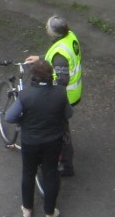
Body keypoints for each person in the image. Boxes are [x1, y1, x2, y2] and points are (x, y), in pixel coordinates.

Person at [5, 59, 71, 217]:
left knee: (28, 172)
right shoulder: (60, 94)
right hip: (53, 141)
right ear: (51, 75)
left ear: (33, 76)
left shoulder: (25, 95)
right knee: (50, 174)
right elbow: (69, 114)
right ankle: (49, 214)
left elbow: (9, 117)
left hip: (30, 141)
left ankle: (27, 209)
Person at [25, 15, 82, 176]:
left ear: (54, 32)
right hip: (73, 92)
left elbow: (62, 79)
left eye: (48, 27)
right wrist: (41, 58)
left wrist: (47, 94)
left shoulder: (60, 55)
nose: (46, 29)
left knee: (62, 130)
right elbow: (55, 56)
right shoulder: (69, 37)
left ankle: (66, 165)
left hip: (65, 95)